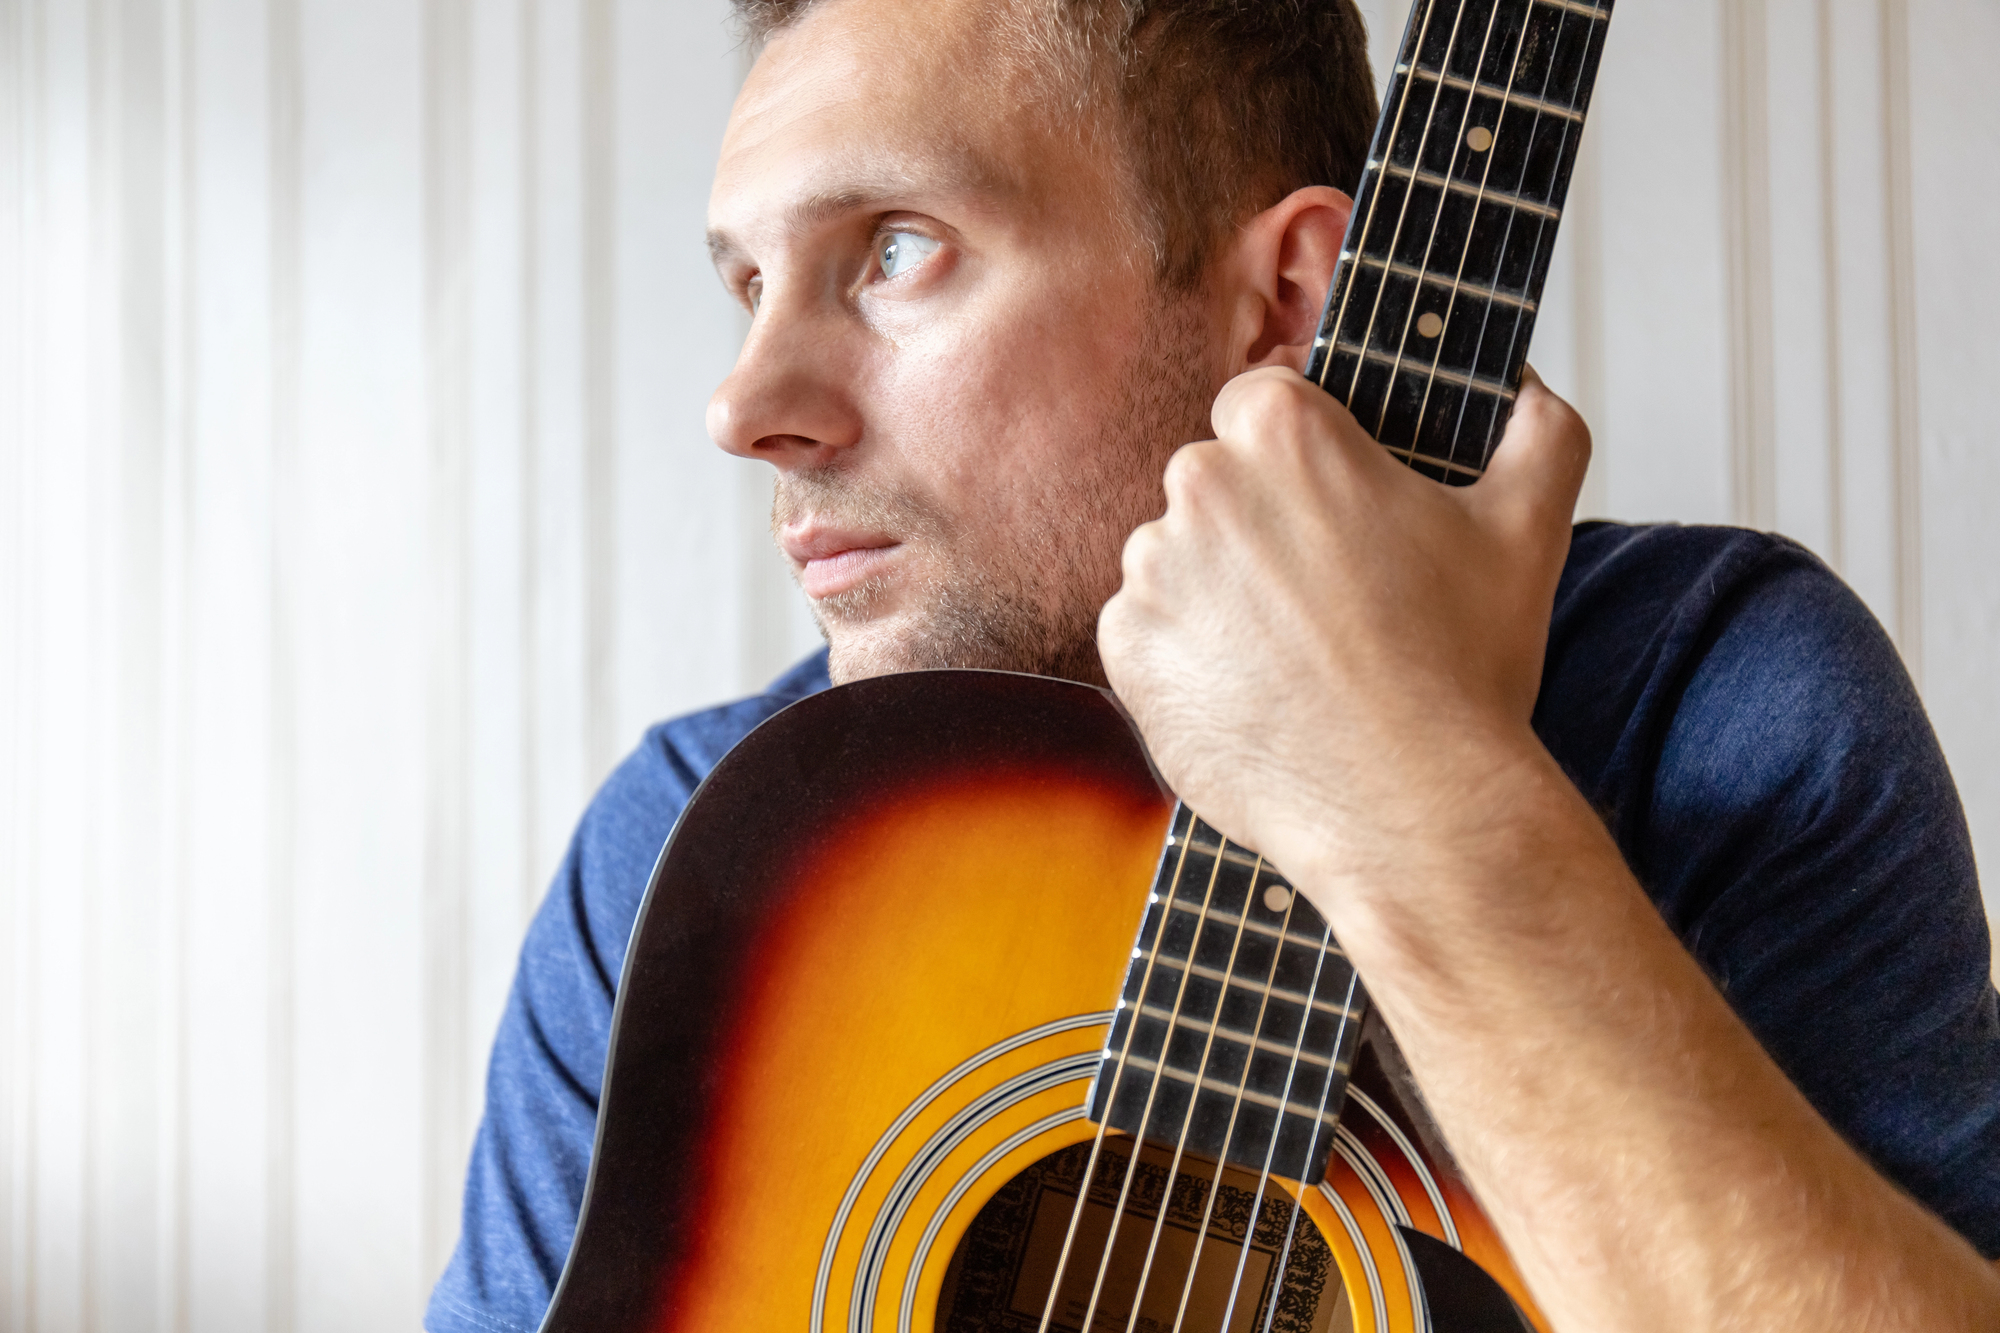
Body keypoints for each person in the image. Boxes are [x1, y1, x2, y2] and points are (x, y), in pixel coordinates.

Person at [424, 0, 2000, 1329]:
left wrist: (1417, 798)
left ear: (1288, 300)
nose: (746, 401)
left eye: (895, 248)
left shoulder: (1715, 702)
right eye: (749, 284)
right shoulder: (696, 854)